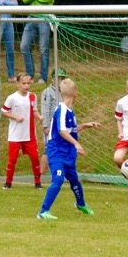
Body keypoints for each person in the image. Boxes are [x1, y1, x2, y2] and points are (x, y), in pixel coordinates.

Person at [36, 78, 101, 220]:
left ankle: (81, 204)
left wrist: (85, 125)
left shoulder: (70, 112)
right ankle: (43, 211)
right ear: (75, 94)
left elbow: (70, 130)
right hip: (57, 151)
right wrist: (77, 144)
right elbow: (61, 131)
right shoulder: (61, 110)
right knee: (58, 179)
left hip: (67, 152)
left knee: (74, 179)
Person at [1, 73, 43, 189]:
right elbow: (4, 112)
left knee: (35, 158)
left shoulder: (33, 96)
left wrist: (39, 117)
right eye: (23, 83)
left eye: (28, 83)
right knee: (12, 159)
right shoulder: (12, 98)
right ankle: (8, 182)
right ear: (17, 84)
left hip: (30, 135)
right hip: (15, 135)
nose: (26, 86)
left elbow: (34, 110)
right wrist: (15, 117)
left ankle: (38, 182)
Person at [20, 0, 57, 84]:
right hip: (31, 17)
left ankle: (43, 77)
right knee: (24, 46)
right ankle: (30, 75)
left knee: (43, 49)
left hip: (45, 18)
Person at [40, 67, 67, 174]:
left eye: (62, 78)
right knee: (48, 149)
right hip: (51, 126)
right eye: (58, 78)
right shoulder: (47, 92)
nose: (60, 81)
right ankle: (39, 175)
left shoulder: (65, 92)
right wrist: (46, 125)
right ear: (52, 79)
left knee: (61, 150)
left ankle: (59, 172)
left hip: (62, 126)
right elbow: (45, 109)